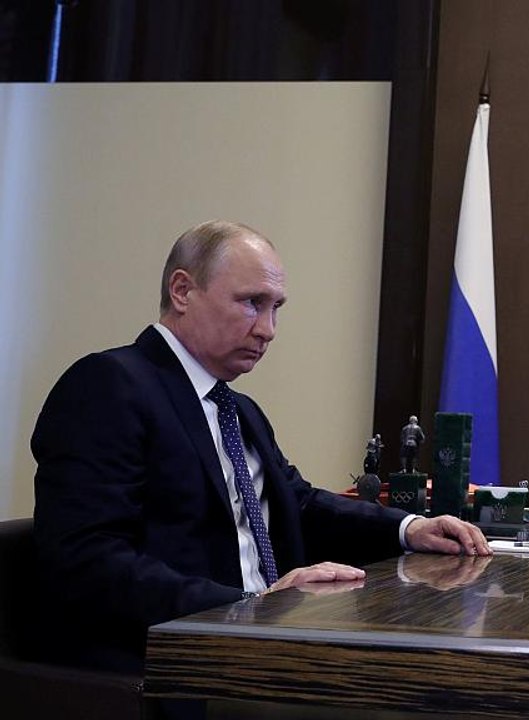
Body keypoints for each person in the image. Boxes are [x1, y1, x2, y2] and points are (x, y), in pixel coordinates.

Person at [31, 220, 491, 675]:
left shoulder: (238, 409)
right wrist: (248, 604)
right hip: (167, 661)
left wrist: (410, 528)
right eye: (252, 303)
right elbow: (86, 560)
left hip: (260, 645)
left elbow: (299, 504)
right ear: (182, 291)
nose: (268, 330)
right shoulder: (109, 385)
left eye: (276, 308)